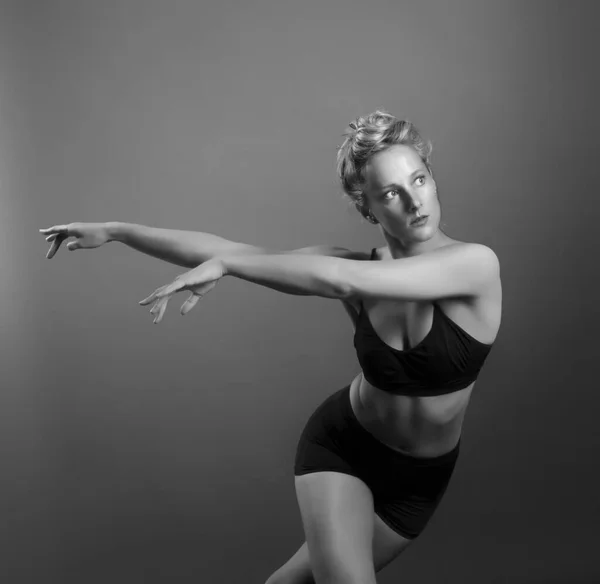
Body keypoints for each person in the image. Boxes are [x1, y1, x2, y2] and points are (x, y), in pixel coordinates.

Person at [40, 110, 502, 584]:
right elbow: (237, 252)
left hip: (418, 483)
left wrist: (226, 266)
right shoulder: (351, 267)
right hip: (344, 449)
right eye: (390, 193)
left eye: (420, 179)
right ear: (368, 209)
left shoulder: (475, 265)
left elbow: (341, 281)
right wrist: (118, 231)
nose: (414, 201)